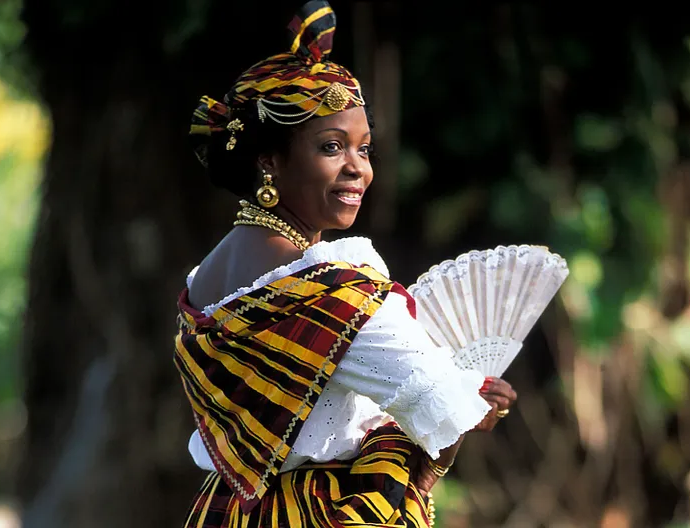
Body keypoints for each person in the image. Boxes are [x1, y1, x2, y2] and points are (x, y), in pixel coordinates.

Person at [174, 2, 518, 526]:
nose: (358, 168)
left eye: (365, 148)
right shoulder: (339, 298)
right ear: (269, 159)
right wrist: (478, 408)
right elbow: (444, 411)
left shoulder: (204, 281)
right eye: (331, 147)